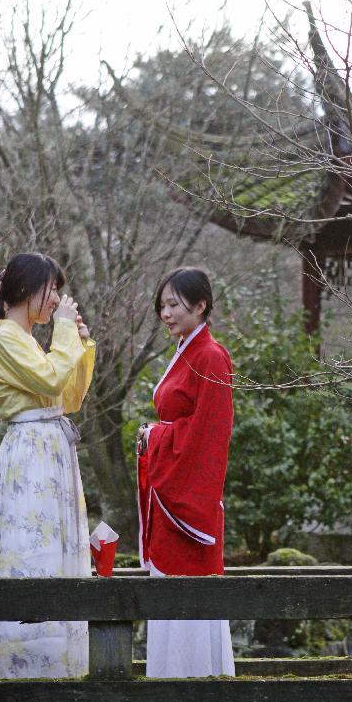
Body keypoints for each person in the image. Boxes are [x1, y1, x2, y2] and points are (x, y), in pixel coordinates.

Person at [0, 252, 96, 679]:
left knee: (59, 554)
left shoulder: (27, 340)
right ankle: (25, 669)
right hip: (30, 458)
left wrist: (79, 344)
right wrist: (64, 331)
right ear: (28, 288)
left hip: (50, 454)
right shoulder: (5, 338)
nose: (57, 300)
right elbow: (50, 380)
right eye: (53, 290)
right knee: (32, 554)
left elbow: (70, 398)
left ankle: (60, 666)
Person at [137, 266, 235, 678]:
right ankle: (170, 684)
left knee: (189, 590)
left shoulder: (210, 356)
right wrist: (159, 436)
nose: (166, 313)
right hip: (171, 489)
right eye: (162, 305)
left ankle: (194, 688)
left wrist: (156, 436)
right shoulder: (186, 350)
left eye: (174, 304)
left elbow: (208, 435)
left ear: (200, 305)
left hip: (188, 496)